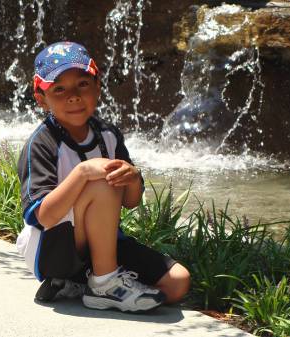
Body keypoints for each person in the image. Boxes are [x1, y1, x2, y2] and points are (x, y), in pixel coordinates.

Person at [16, 41, 190, 313]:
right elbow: (44, 217)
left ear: (97, 86)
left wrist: (133, 178)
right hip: (54, 250)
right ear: (41, 99)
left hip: (104, 244)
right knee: (98, 178)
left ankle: (84, 283)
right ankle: (104, 283)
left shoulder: (108, 135)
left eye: (82, 84)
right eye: (59, 89)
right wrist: (83, 173)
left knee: (177, 283)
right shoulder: (41, 144)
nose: (73, 96)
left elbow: (130, 203)